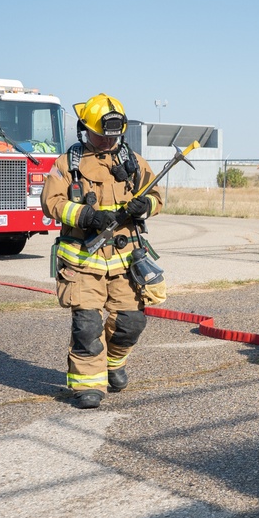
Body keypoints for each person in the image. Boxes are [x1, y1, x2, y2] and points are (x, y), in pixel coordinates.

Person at [41, 93, 164, 409]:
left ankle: (114, 362)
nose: (108, 141)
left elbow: (157, 197)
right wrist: (87, 216)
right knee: (87, 327)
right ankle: (87, 385)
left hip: (126, 262)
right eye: (101, 136)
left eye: (113, 136)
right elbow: (51, 202)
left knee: (131, 323)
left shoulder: (133, 161)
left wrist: (144, 206)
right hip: (82, 263)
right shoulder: (66, 164)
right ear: (85, 130)